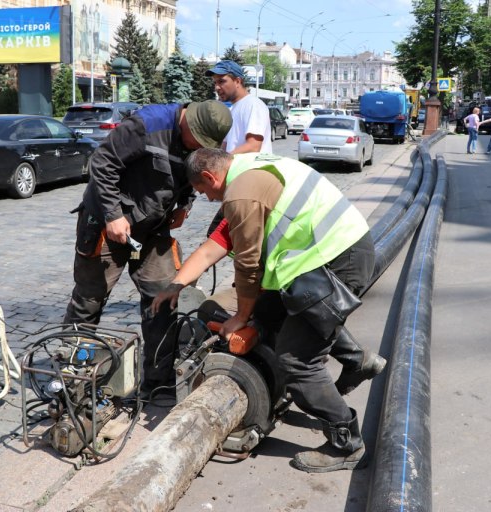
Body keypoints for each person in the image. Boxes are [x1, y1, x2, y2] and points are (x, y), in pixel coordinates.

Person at [152, 150, 381, 473]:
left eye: (204, 193)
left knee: (297, 360)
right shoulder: (254, 166)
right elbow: (210, 251)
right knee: (271, 314)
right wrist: (176, 286)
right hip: (327, 255)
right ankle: (357, 361)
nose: (208, 199)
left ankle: (346, 443)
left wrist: (240, 317)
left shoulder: (240, 194)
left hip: (333, 262)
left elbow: (246, 267)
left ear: (209, 177)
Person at [63, 100, 232, 396]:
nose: (199, 148)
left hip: (152, 230)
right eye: (198, 142)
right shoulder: (146, 125)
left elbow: (192, 175)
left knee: (163, 297)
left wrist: (185, 203)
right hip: (106, 224)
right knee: (89, 300)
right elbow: (101, 163)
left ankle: (158, 381)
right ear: (188, 122)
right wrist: (113, 215)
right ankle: (73, 376)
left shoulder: (198, 140)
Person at [205, 60, 272, 153]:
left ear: (237, 81)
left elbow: (253, 147)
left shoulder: (253, 105)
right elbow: (226, 146)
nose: (217, 87)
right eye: (215, 83)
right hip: (235, 167)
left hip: (251, 167)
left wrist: (225, 161)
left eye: (221, 81)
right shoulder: (232, 109)